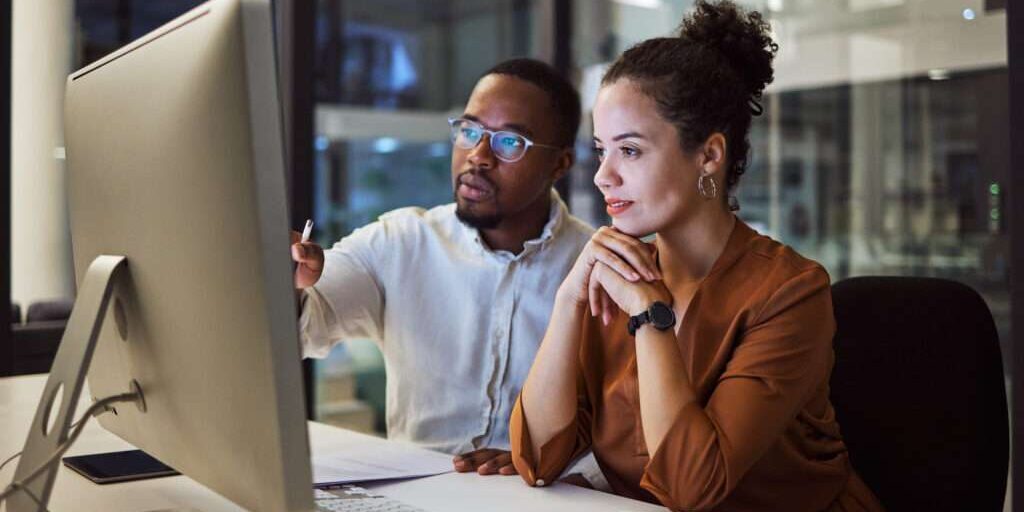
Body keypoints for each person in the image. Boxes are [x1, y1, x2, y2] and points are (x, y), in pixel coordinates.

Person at [509, 2, 884, 510]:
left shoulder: (789, 292)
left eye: (631, 150)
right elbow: (537, 458)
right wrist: (568, 299)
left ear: (709, 155)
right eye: (601, 150)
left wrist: (650, 316)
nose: (603, 176)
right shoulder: (613, 274)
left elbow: (694, 487)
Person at [291, 58, 603, 483]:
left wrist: (551, 464)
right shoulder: (401, 242)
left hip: (544, 495)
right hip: (412, 493)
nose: (477, 156)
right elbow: (303, 330)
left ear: (560, 164)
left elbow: (623, 432)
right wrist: (290, 284)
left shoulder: (596, 268)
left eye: (509, 142)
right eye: (470, 131)